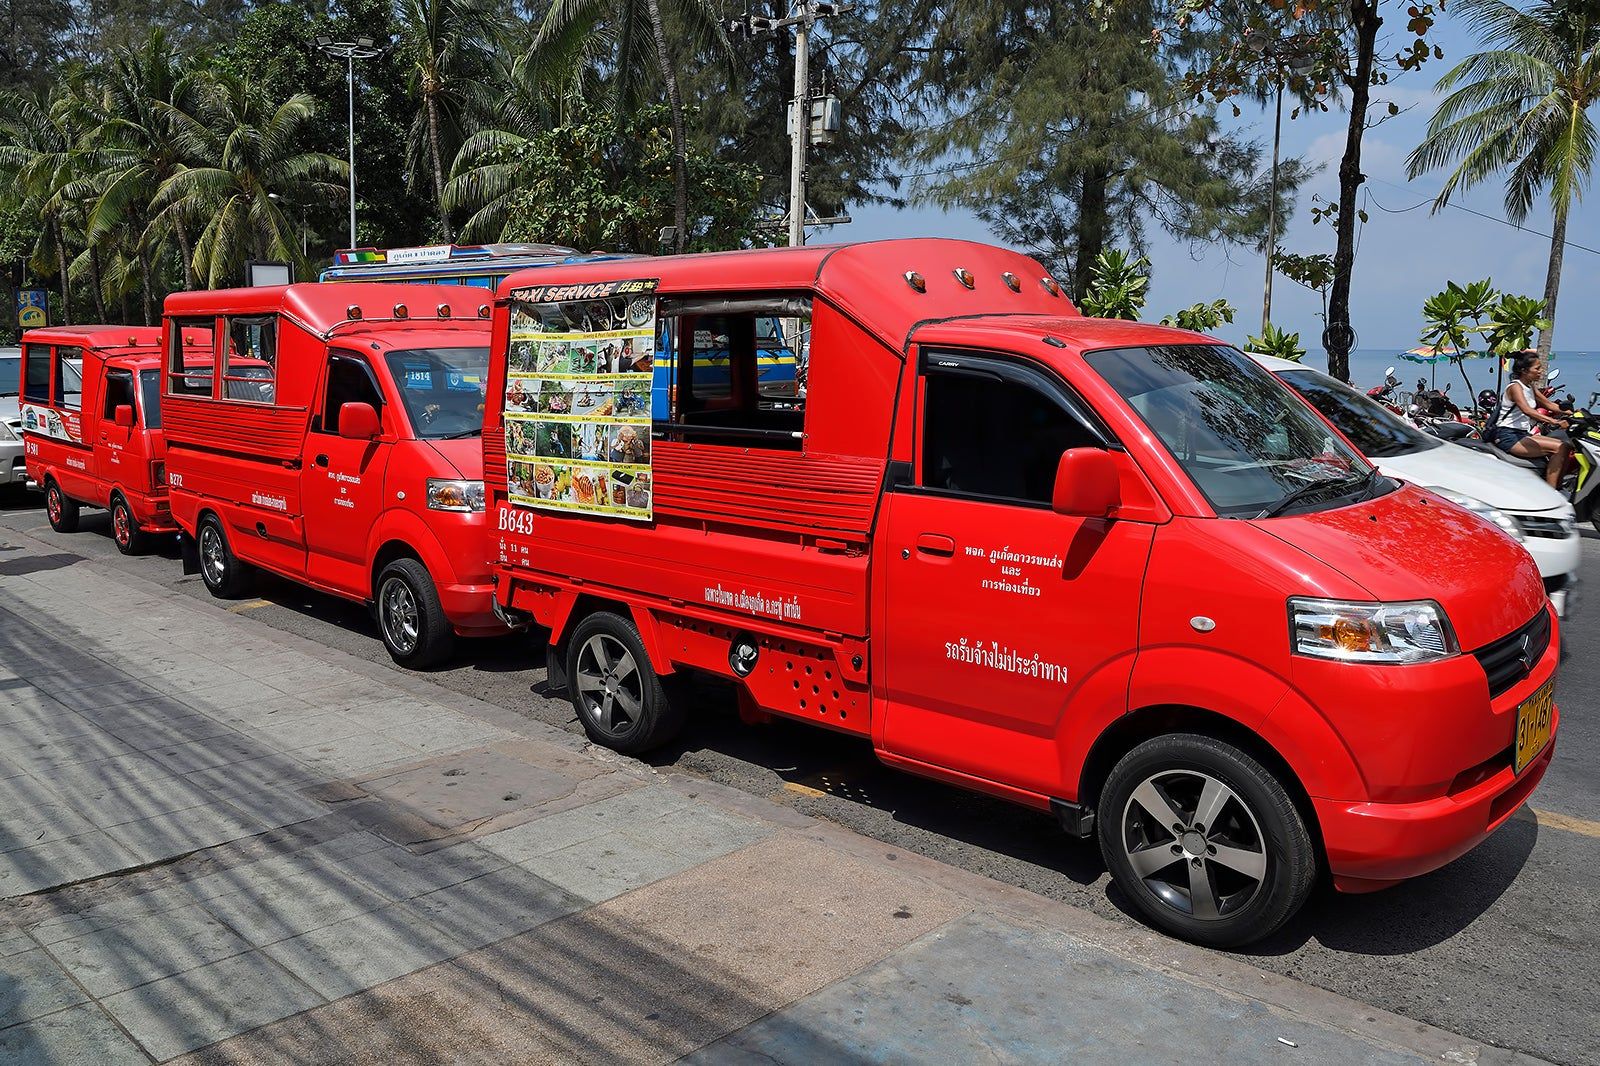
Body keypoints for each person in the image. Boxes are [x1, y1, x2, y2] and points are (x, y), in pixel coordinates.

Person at [1488, 350, 1570, 488]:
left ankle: (1559, 487)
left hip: (1522, 434)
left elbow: (1549, 404)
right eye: (1537, 368)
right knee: (1559, 448)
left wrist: (1573, 413)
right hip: (1507, 435)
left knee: (1566, 446)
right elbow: (1527, 410)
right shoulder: (1515, 387)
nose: (1541, 371)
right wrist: (1555, 421)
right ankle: (1551, 492)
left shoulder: (1530, 386)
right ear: (1524, 370)